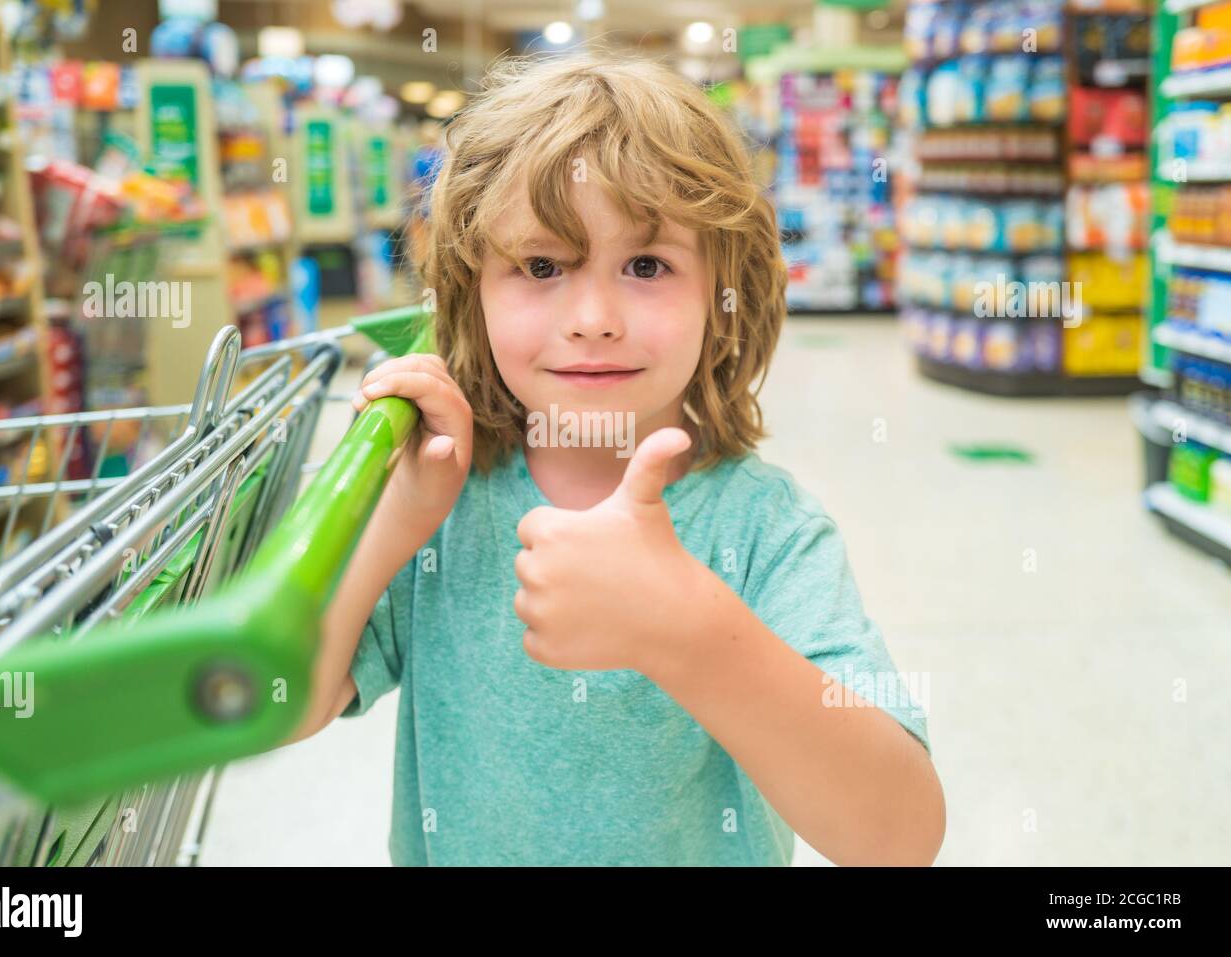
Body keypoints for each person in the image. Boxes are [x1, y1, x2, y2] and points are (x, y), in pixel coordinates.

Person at [288, 50, 945, 866]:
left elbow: (898, 836)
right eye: (539, 265)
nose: (593, 316)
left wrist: (689, 633)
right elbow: (285, 702)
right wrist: (400, 522)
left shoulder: (764, 529)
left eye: (646, 265)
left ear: (723, 291)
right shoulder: (440, 500)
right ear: (471, 291)